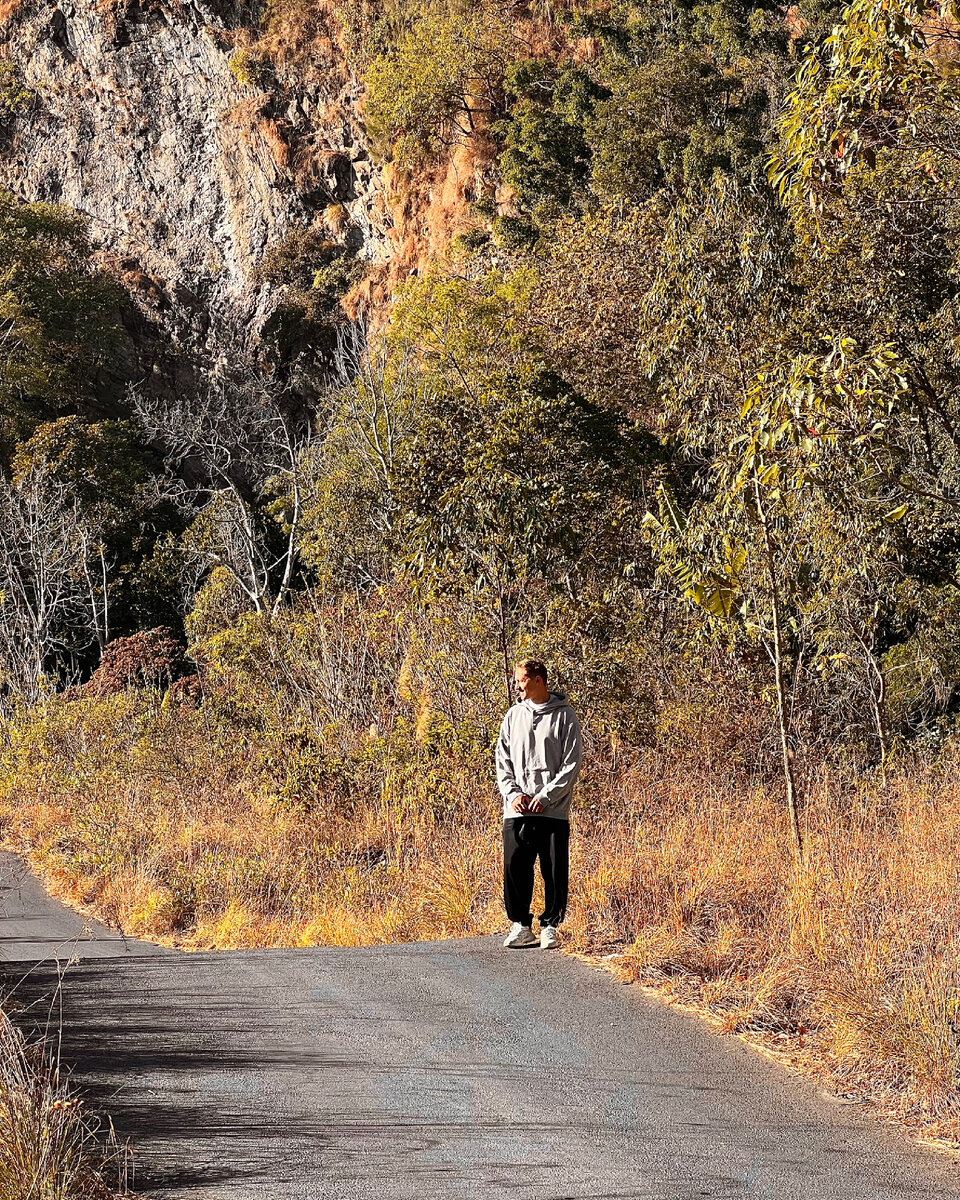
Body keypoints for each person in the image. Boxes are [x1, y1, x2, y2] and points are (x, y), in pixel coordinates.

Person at [495, 658, 582, 949]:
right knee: (515, 866)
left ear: (538, 680)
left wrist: (544, 798)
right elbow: (502, 761)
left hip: (552, 810)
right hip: (517, 809)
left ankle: (550, 927)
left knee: (554, 869)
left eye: (521, 679)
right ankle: (520, 925)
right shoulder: (513, 716)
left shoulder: (565, 716)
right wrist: (514, 794)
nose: (516, 684)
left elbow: (571, 765)